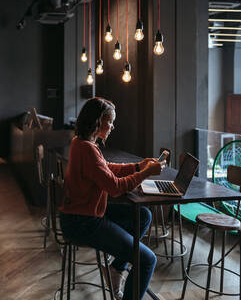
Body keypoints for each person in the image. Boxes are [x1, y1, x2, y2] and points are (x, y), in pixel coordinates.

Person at [59, 97, 163, 300]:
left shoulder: (80, 142)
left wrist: (138, 166)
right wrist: (146, 173)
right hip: (83, 223)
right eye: (110, 121)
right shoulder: (87, 148)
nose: (113, 126)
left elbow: (105, 169)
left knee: (143, 215)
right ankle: (118, 270)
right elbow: (115, 188)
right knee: (147, 260)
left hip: (80, 216)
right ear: (98, 122)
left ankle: (116, 269)